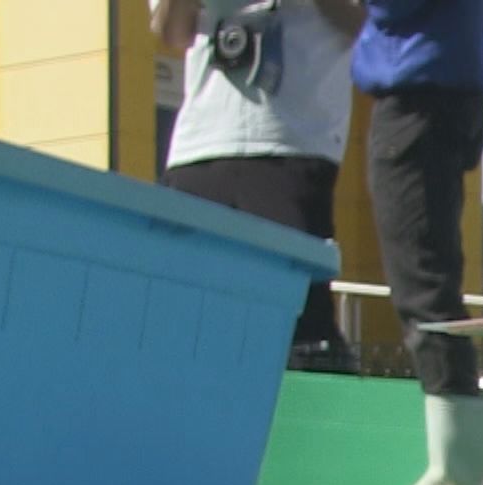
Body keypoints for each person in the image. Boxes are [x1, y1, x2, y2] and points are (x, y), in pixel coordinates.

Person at [344, 0, 483, 485]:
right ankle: (457, 475)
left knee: (421, 281)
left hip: (419, 89)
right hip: (450, 84)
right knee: (431, 277)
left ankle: (456, 480)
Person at [150, 0, 363, 373]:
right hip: (200, 145)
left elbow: (363, 25)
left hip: (291, 140)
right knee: (185, 316)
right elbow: (172, 30)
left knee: (300, 326)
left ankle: (313, 422)